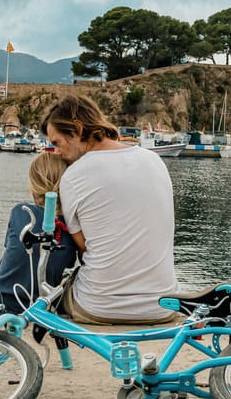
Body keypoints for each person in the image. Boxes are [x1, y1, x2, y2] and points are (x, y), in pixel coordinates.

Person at [40, 94, 179, 324]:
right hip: (163, 305)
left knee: (53, 292)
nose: (56, 152)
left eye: (57, 143)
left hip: (99, 306)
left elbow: (85, 250)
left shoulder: (73, 176)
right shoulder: (153, 160)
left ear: (77, 129)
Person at [0, 152, 79, 314]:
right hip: (42, 303)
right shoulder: (74, 224)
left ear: (33, 183)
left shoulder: (21, 212)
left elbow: (12, 251)